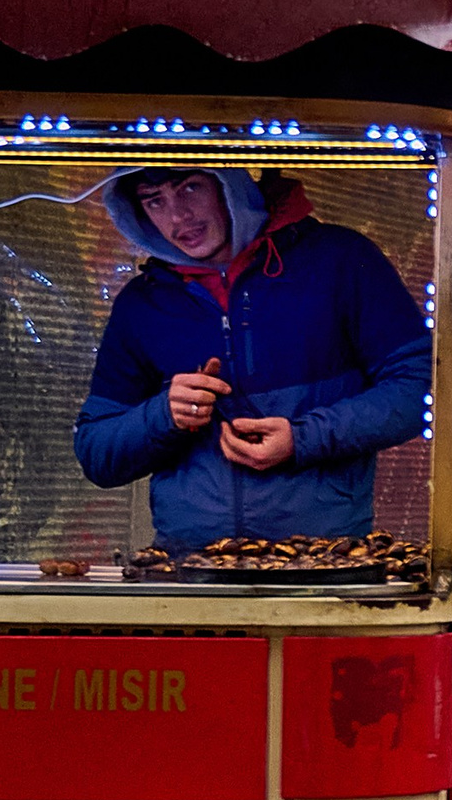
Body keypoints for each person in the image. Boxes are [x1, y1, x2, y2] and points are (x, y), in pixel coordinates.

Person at [74, 167, 431, 549]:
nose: (177, 216)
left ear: (231, 185)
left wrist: (302, 438)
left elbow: (421, 388)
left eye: (190, 188)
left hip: (325, 566)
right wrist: (164, 415)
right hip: (190, 571)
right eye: (154, 200)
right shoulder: (141, 304)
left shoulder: (339, 260)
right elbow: (97, 452)